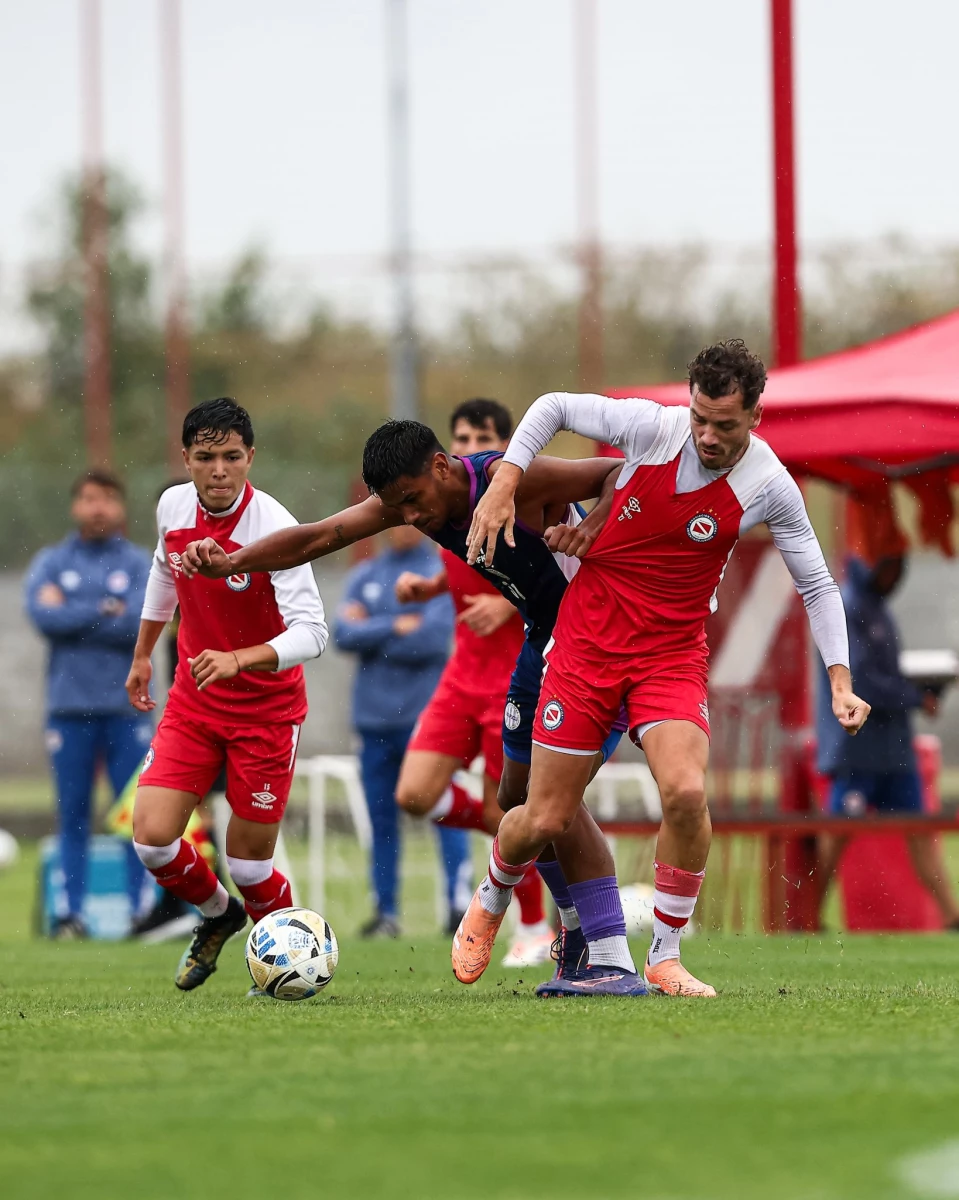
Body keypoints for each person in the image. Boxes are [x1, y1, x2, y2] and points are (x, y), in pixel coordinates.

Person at [180, 424, 648, 997]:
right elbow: (318, 536)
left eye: (415, 500)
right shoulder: (412, 501)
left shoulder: (508, 481)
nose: (412, 517)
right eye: (396, 507)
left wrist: (594, 526)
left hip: (599, 640)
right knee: (514, 799)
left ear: (442, 467)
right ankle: (575, 935)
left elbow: (617, 472)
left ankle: (604, 950)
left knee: (552, 801)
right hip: (544, 638)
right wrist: (233, 563)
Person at [462, 339, 871, 996]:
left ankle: (664, 955)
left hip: (669, 656)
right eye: (699, 419)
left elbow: (818, 586)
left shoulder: (768, 486)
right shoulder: (651, 428)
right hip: (586, 647)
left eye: (724, 426)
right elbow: (552, 406)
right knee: (541, 818)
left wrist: (839, 681)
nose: (706, 436)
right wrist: (506, 477)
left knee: (684, 793)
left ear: (755, 417)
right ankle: (490, 897)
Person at [126, 397, 328, 992]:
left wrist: (241, 658)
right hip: (194, 703)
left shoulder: (276, 529)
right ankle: (219, 915)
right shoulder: (172, 507)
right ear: (185, 458)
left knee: (247, 863)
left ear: (250, 458)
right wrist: (143, 652)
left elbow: (314, 633)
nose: (219, 469)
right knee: (153, 840)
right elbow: (165, 572)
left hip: (267, 713)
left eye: (232, 457)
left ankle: (290, 966)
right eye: (207, 456)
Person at [394, 398, 552, 966]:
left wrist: (508, 611)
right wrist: (430, 589)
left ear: (508, 446)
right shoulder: (448, 506)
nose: (467, 446)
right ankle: (542, 874)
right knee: (413, 794)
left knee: (507, 812)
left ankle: (533, 927)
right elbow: (466, 567)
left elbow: (551, 580)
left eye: (480, 436)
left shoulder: (519, 498)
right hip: (460, 677)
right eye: (459, 436)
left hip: (513, 678)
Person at [24, 468, 153, 938]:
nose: (97, 507)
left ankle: (143, 913)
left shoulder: (141, 563)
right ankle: (70, 916)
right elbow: (43, 617)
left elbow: (139, 622)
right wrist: (105, 608)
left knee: (135, 815)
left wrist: (75, 610)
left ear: (120, 507)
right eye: (88, 498)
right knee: (73, 813)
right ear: (76, 506)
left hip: (126, 709)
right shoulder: (52, 561)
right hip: (69, 709)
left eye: (106, 499)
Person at [334, 523, 472, 937]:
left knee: (445, 811)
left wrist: (372, 626)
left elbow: (429, 641)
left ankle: (457, 906)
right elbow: (341, 634)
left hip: (425, 720)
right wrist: (396, 624)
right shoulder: (366, 574)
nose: (405, 527)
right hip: (372, 719)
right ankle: (386, 912)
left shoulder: (437, 572)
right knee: (381, 820)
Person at [815, 554, 959, 927]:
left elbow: (882, 675)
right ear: (871, 564)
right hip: (856, 748)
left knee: (919, 832)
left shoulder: (879, 609)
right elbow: (860, 681)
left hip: (894, 750)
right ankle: (805, 916)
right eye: (888, 568)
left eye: (898, 570)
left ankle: (951, 916)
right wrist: (915, 697)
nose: (893, 577)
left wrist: (915, 692)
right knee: (837, 834)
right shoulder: (847, 607)